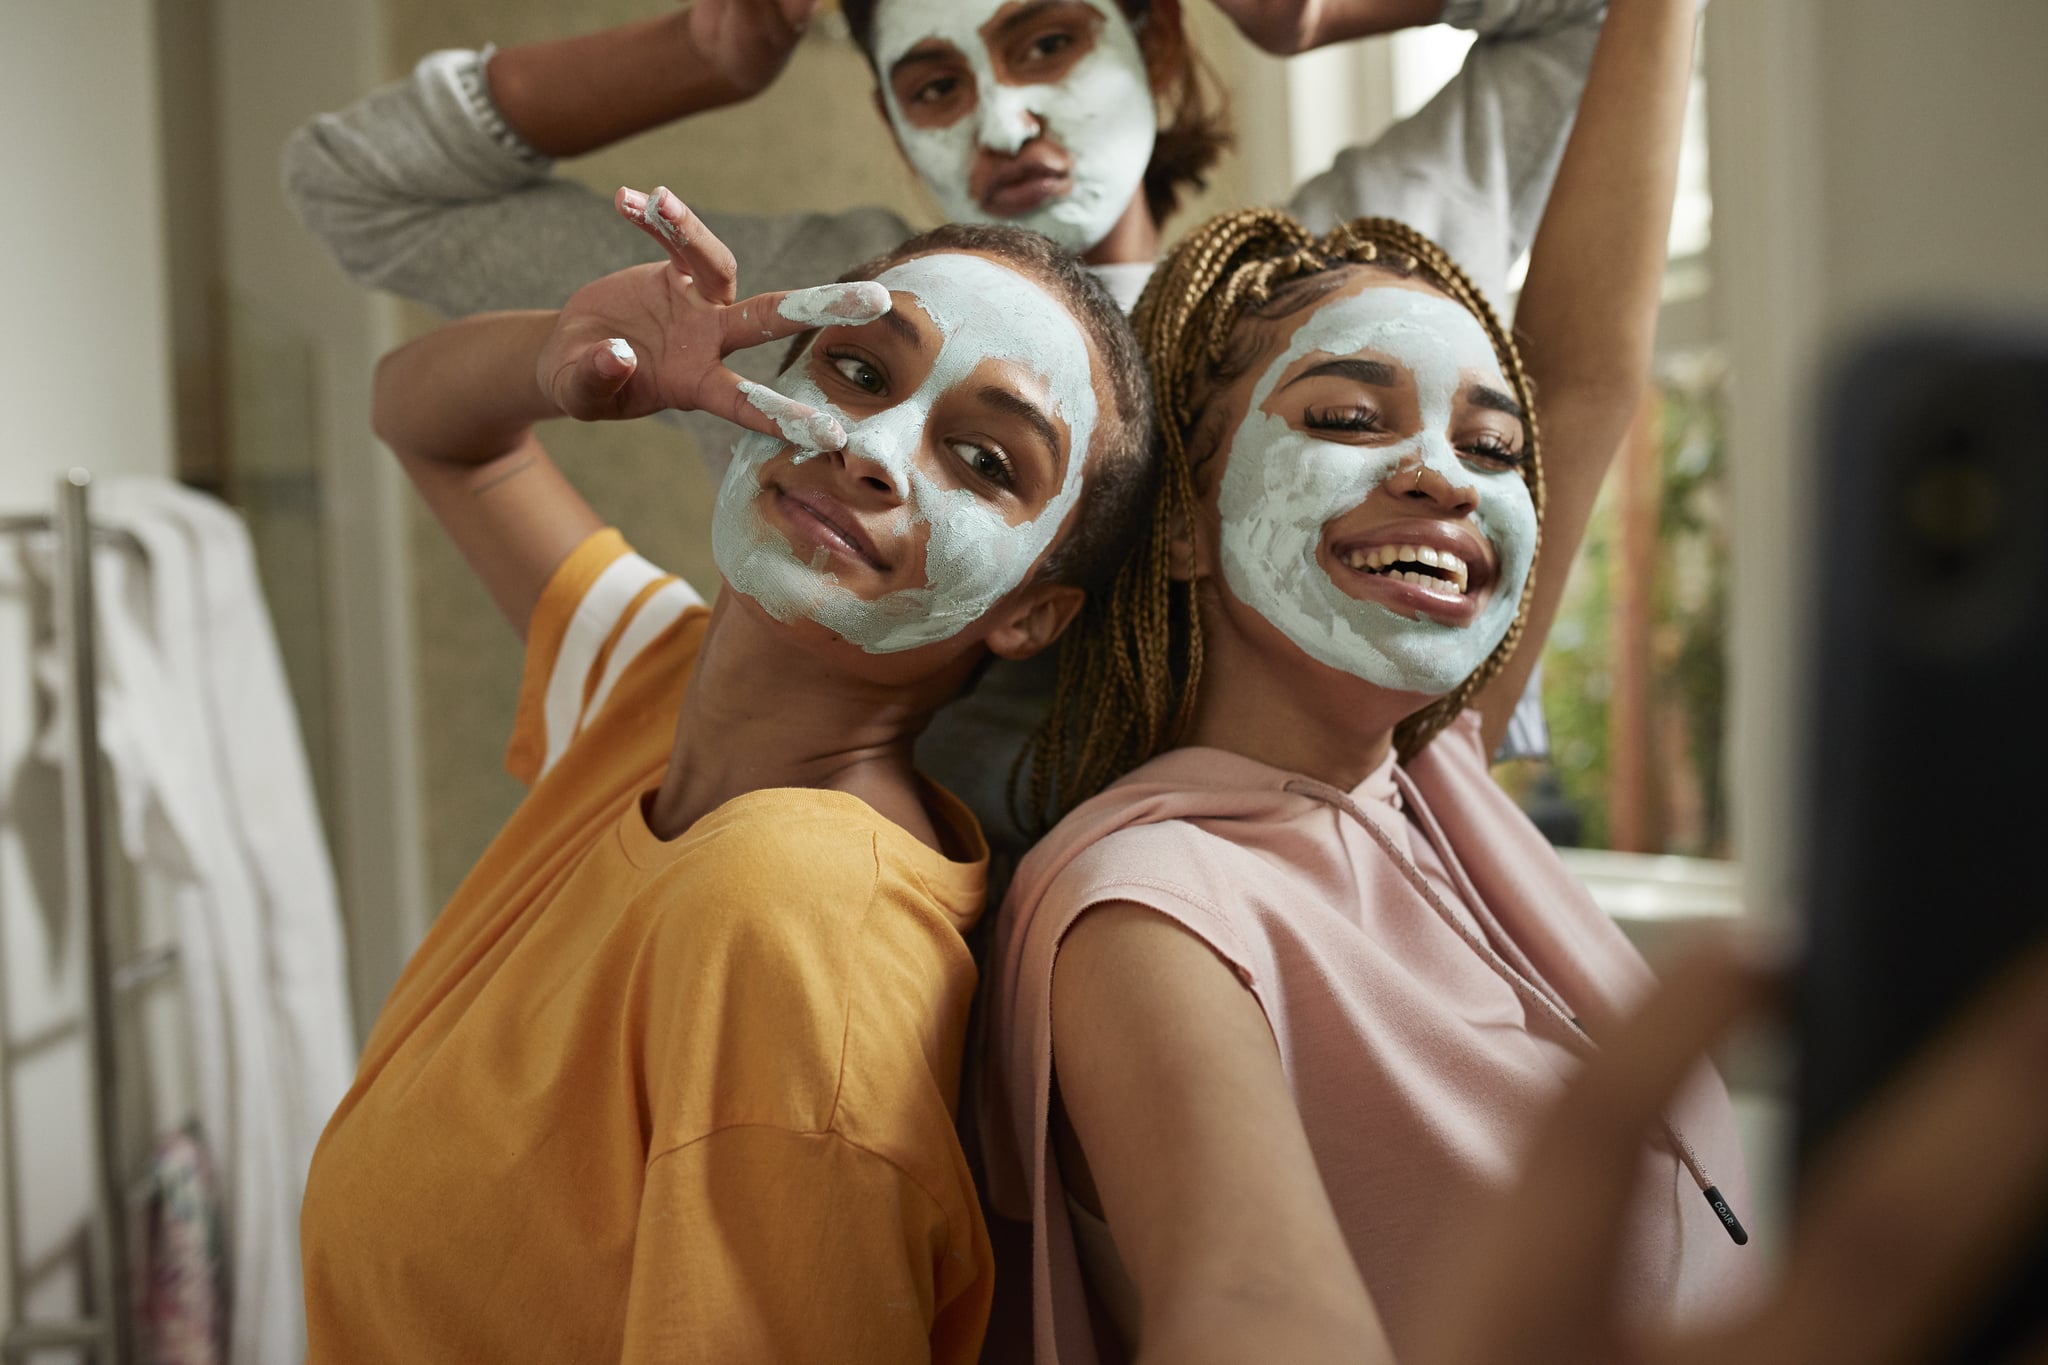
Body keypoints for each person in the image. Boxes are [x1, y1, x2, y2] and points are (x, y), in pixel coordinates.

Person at [282, 0, 1602, 854]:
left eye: (1046, 41)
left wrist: (1307, 11)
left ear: (1151, 44)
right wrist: (705, 51)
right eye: (931, 81)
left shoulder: (1325, 302)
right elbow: (361, 195)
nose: (1006, 121)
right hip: (910, 988)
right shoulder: (802, 308)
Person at [982, 0, 1738, 1357]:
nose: (1443, 475)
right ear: (1180, 524)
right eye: (1345, 418)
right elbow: (1251, 1311)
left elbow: (1584, 371)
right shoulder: (1148, 918)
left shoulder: (1431, 777)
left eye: (1489, 447)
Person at [297, 201, 1153, 1361]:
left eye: (983, 459)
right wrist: (577, 358)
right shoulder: (644, 694)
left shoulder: (791, 915)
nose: (870, 448)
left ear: (1028, 614)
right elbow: (422, 417)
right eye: (856, 369)